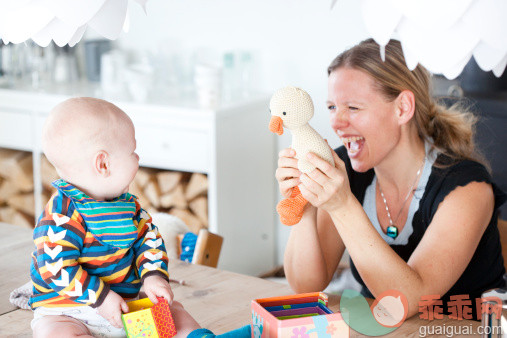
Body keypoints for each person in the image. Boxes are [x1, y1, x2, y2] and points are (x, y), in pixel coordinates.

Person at [279, 39, 507, 319]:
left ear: (402, 108)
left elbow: (407, 303)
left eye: (353, 108)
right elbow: (305, 286)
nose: (336, 123)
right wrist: (304, 205)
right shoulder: (344, 169)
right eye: (331, 107)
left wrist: (342, 206)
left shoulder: (467, 189)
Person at [29, 98, 249, 338]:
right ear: (103, 163)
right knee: (55, 332)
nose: (138, 158)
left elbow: (150, 241)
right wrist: (101, 299)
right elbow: (57, 268)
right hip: (69, 312)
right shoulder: (60, 217)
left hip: (130, 307)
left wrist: (153, 276)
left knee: (174, 314)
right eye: (132, 151)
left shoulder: (130, 207)